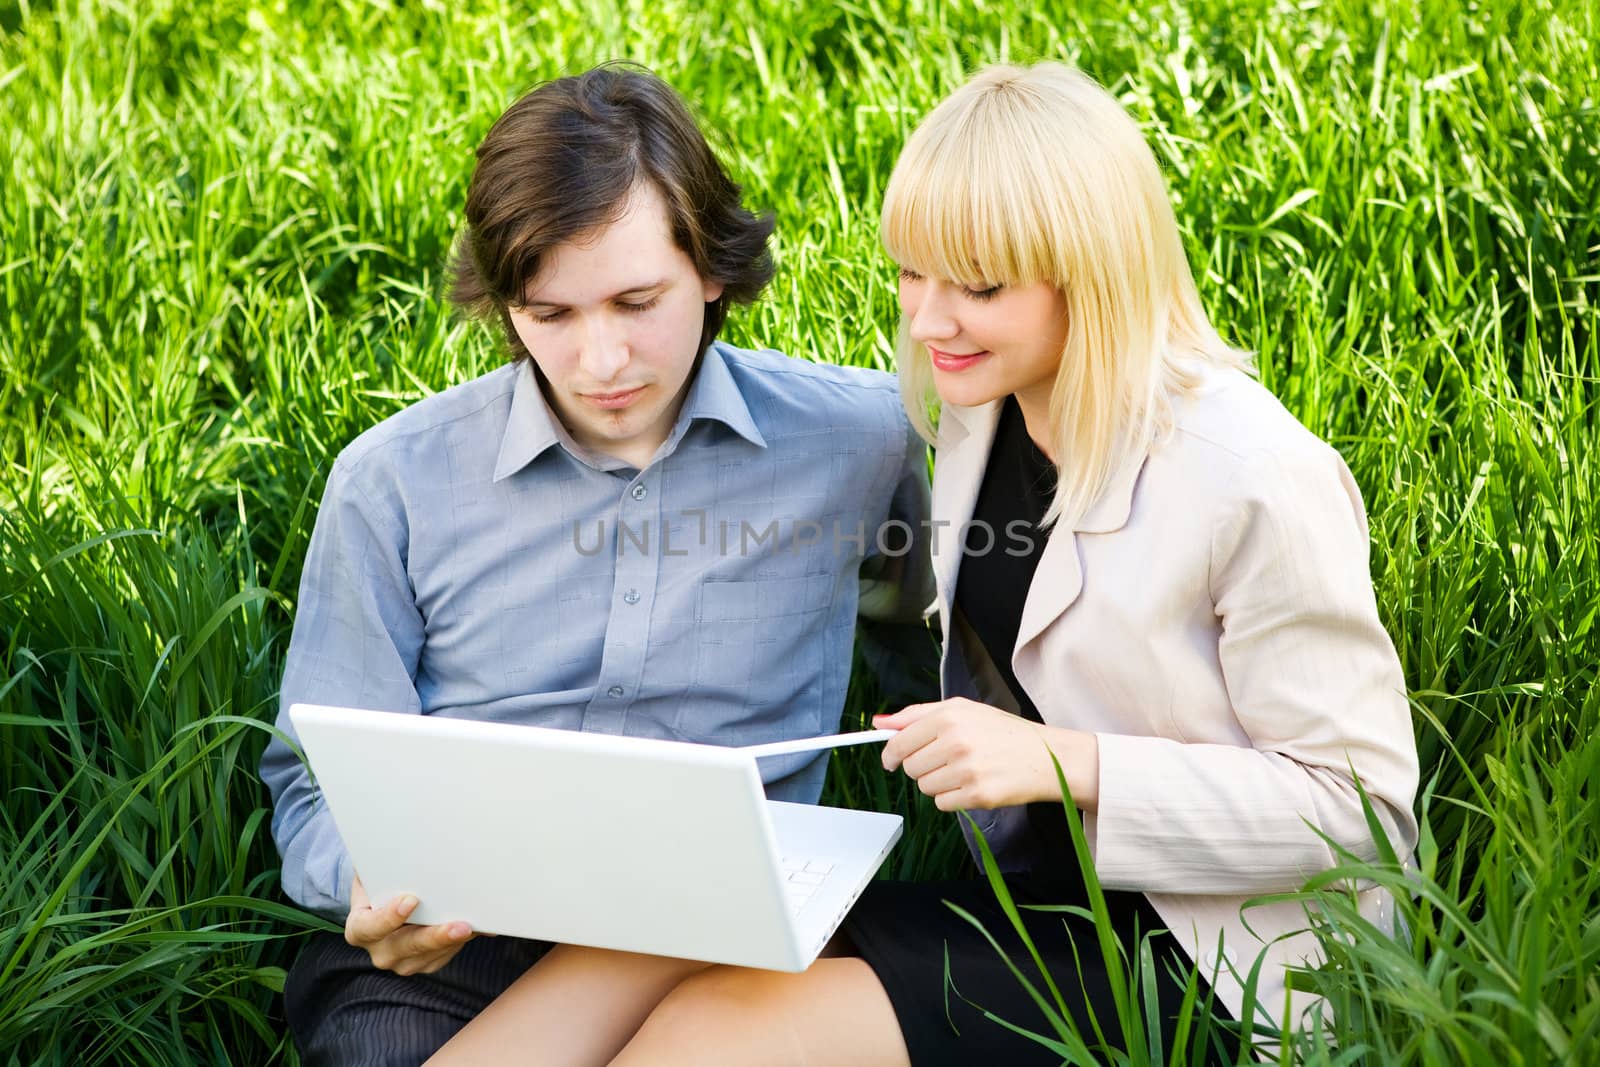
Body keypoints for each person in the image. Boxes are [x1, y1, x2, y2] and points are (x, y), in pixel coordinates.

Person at [424, 61, 1421, 1066]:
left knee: (714, 1033)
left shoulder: (1251, 474)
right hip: (1051, 909)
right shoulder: (982, 411)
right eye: (913, 272)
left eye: (978, 286)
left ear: (1095, 273)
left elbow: (1363, 812)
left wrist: (1066, 763)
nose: (928, 318)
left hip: (1220, 957)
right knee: (650, 941)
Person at [258, 63, 934, 1066]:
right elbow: (311, 778)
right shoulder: (393, 481)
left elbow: (931, 643)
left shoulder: (863, 440)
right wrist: (367, 883)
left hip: (728, 928)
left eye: (635, 299)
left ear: (710, 265)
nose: (600, 360)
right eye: (551, 314)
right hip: (452, 940)